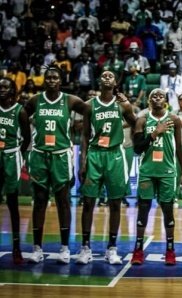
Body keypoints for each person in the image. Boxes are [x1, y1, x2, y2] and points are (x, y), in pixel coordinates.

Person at [24, 67, 88, 264]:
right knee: (40, 201)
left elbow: (91, 111)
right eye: (48, 77)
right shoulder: (35, 100)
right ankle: (37, 248)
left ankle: (65, 248)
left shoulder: (70, 100)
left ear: (61, 80)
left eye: (55, 77)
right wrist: (26, 141)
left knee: (63, 201)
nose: (51, 80)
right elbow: (21, 116)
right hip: (40, 154)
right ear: (44, 80)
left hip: (61, 156)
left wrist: (83, 132)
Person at [77, 71, 136, 265]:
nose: (107, 77)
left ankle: (112, 248)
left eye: (111, 75)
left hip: (115, 155)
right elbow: (85, 135)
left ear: (116, 81)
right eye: (103, 75)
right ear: (99, 81)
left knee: (115, 203)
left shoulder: (122, 104)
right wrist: (83, 161)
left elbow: (136, 124)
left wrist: (129, 105)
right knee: (88, 202)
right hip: (94, 154)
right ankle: (85, 247)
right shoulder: (89, 105)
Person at [130, 88, 182, 266]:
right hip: (147, 170)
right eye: (153, 95)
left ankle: (170, 250)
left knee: (168, 210)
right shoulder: (142, 119)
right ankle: (138, 250)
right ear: (149, 100)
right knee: (144, 209)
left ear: (166, 100)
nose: (157, 98)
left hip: (167, 172)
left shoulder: (174, 119)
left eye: (160, 95)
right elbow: (137, 148)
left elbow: (178, 146)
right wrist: (155, 132)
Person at [0, 78, 31, 264]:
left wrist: (17, 156)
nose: (2, 89)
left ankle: (17, 247)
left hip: (11, 155)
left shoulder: (20, 111)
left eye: (6, 87)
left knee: (12, 204)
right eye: (0, 87)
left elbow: (26, 139)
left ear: (13, 90)